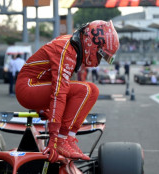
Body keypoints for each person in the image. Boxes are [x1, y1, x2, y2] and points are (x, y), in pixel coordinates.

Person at [15, 20, 119, 162]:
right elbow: (59, 93)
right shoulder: (66, 49)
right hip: (28, 88)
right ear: (93, 44)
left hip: (34, 85)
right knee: (84, 90)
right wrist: (53, 140)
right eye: (102, 55)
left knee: (92, 90)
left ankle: (69, 138)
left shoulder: (71, 46)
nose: (100, 60)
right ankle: (62, 139)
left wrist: (41, 110)